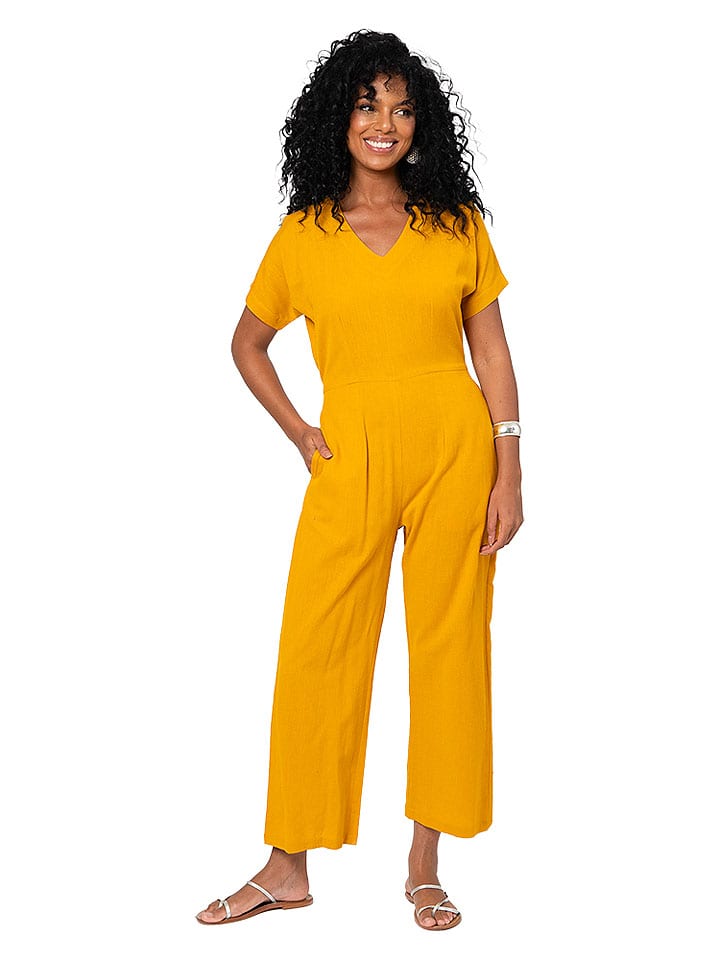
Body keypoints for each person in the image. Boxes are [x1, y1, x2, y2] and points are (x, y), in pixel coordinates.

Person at [196, 28, 523, 932]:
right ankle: (287, 865)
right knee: (317, 646)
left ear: (421, 125)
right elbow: (247, 343)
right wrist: (301, 431)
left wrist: (510, 467)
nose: (386, 122)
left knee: (451, 649)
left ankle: (424, 862)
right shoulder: (303, 236)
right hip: (349, 454)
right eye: (369, 104)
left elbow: (493, 353)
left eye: (403, 108)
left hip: (456, 448)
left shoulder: (456, 224)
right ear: (337, 117)